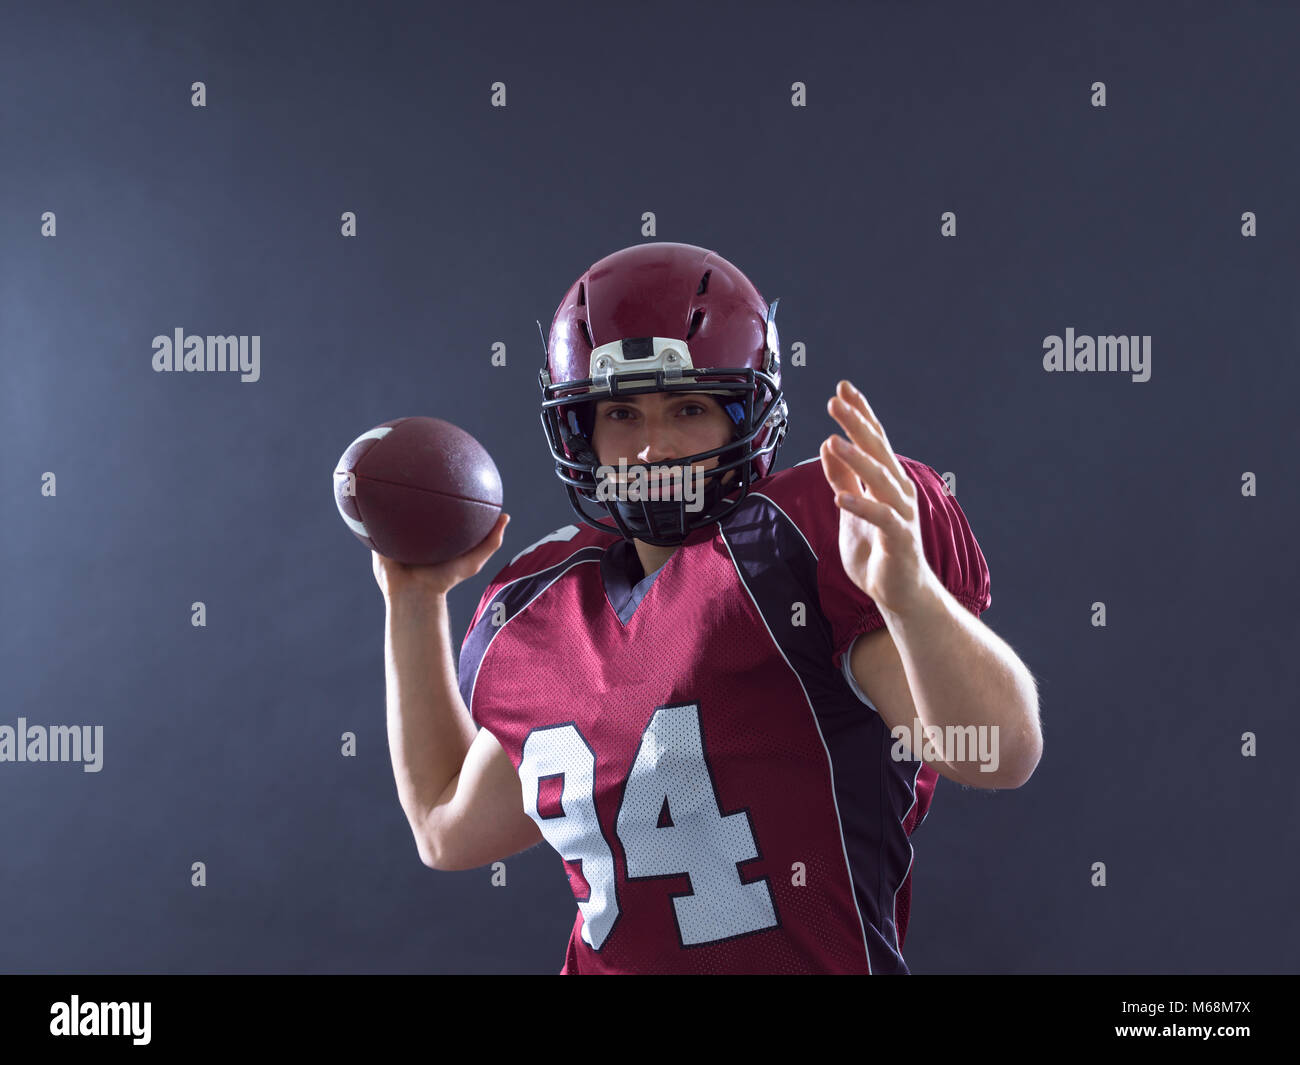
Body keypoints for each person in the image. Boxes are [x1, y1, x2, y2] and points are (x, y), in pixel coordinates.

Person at [374, 241, 1042, 974]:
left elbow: (1000, 750)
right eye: (621, 413)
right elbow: (443, 825)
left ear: (745, 417)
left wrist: (911, 599)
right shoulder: (540, 606)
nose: (653, 448)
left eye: (688, 407)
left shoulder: (792, 555)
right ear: (581, 431)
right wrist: (413, 602)